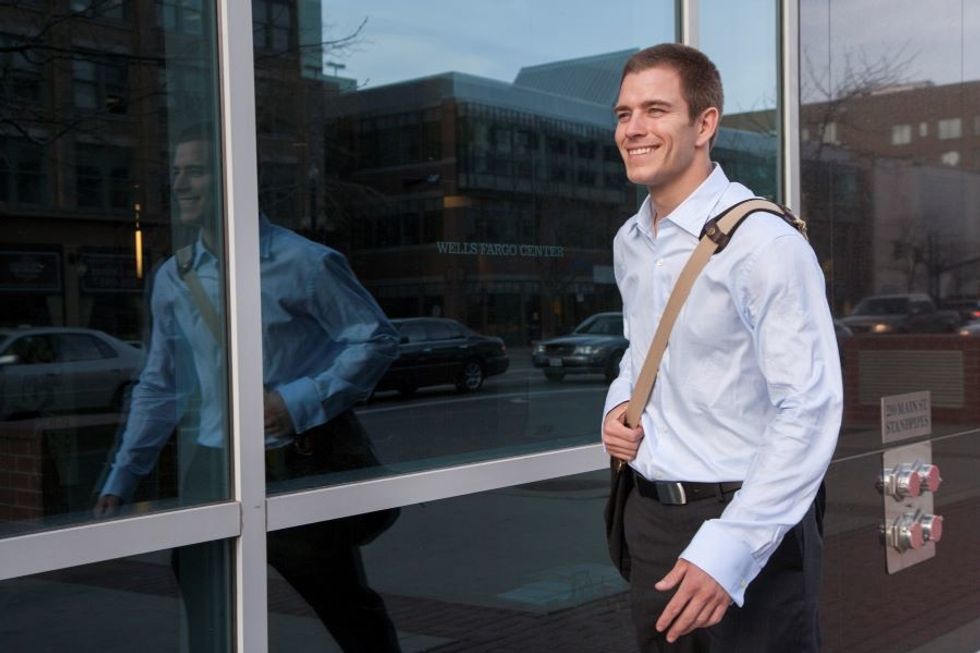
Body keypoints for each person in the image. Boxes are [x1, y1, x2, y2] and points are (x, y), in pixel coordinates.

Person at [94, 124, 403, 652]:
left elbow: (375, 339)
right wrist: (123, 475)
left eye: (196, 171)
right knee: (208, 611)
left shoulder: (305, 262)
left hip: (294, 463)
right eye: (175, 172)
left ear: (234, 179)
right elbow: (159, 384)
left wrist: (297, 400)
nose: (181, 184)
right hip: (211, 465)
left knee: (346, 608)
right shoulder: (175, 276)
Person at [601, 44, 842, 652]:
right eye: (624, 113)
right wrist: (617, 404)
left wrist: (730, 546)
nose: (633, 129)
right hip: (651, 519)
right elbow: (642, 350)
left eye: (655, 110)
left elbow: (809, 409)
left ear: (704, 123)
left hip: (748, 521)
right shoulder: (632, 241)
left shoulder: (763, 243)